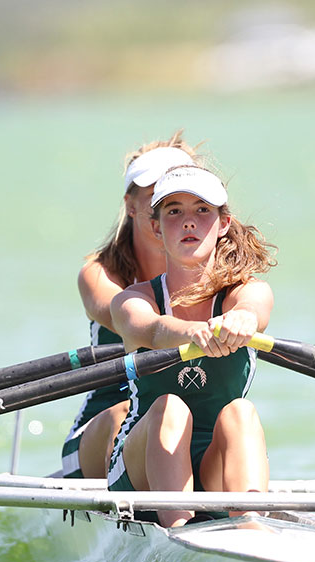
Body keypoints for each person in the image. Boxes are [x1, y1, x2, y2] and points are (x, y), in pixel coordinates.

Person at [107, 165, 276, 527]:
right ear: (156, 228)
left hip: (216, 464)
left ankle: (250, 523)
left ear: (224, 223)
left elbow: (253, 308)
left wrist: (242, 320)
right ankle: (178, 529)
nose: (189, 222)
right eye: (174, 211)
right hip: (142, 472)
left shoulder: (247, 292)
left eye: (202, 210)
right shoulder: (132, 299)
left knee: (241, 413)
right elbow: (150, 330)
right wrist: (191, 332)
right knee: (170, 407)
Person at [60, 133, 201, 479]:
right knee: (132, 413)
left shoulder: (219, 275)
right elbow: (134, 324)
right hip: (103, 428)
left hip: (186, 425)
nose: (170, 213)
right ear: (131, 205)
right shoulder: (99, 274)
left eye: (180, 201)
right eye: (157, 199)